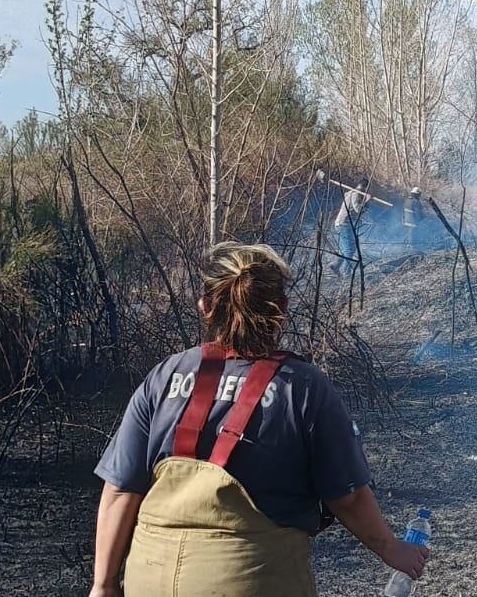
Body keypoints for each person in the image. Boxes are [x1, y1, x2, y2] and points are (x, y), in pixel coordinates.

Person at [89, 242, 428, 597]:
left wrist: (104, 583)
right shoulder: (304, 387)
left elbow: (120, 489)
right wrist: (392, 548)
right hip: (250, 579)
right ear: (281, 310)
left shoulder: (164, 376)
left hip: (150, 576)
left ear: (205, 307)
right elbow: (348, 499)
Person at [332, 177, 371, 274]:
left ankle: (335, 265)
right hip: (344, 224)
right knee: (349, 249)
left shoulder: (351, 193)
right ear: (364, 187)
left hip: (344, 224)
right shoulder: (356, 194)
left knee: (348, 247)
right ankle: (346, 272)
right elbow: (358, 209)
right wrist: (367, 200)